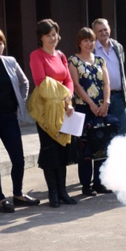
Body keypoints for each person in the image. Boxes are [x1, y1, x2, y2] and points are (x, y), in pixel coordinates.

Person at [0, 27, 40, 213]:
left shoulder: (10, 61)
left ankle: (18, 194)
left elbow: (24, 81)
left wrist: (20, 101)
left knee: (18, 158)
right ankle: (0, 199)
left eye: (0, 43)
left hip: (9, 116)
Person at [29, 18, 77, 208]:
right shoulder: (36, 55)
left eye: (55, 34)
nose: (53, 38)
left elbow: (69, 80)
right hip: (46, 111)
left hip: (64, 108)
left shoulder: (61, 55)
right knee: (51, 152)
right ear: (40, 37)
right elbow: (42, 82)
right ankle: (53, 193)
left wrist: (68, 97)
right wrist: (62, 97)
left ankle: (63, 191)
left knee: (63, 149)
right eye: (48, 35)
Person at [69, 27, 115, 196]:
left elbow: (106, 84)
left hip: (102, 108)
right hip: (84, 108)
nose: (89, 44)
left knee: (102, 146)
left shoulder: (100, 60)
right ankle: (86, 184)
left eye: (91, 40)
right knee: (86, 148)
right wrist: (90, 104)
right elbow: (76, 85)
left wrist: (106, 102)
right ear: (79, 42)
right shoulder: (73, 60)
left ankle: (100, 182)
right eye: (85, 40)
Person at [92, 18, 126, 136]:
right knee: (104, 135)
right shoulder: (92, 49)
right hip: (100, 99)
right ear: (94, 33)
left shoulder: (117, 46)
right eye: (100, 31)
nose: (103, 33)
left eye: (105, 29)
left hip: (119, 96)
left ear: (109, 29)